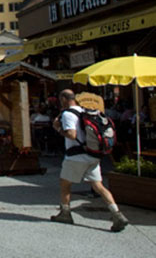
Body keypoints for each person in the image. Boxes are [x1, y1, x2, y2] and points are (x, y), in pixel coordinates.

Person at [50, 89, 128, 232]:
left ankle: (65, 213)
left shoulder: (67, 114)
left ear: (63, 99)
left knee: (65, 183)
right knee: (98, 186)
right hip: (92, 155)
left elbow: (71, 135)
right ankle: (117, 214)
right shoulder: (84, 111)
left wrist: (57, 128)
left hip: (76, 156)